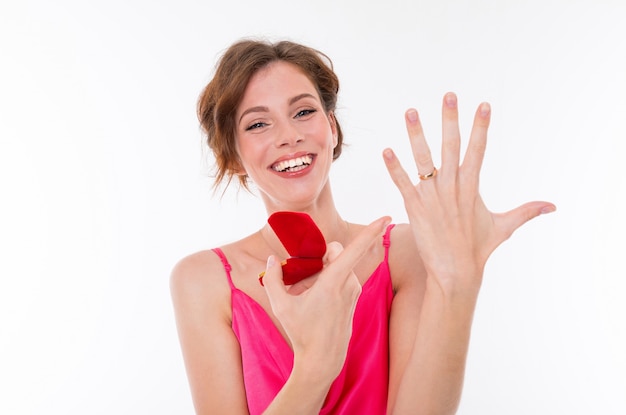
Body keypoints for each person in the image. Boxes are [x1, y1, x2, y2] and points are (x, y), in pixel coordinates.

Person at [170, 39, 555, 415]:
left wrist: (458, 283)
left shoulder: (406, 252)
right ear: (233, 156)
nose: (289, 136)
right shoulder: (203, 280)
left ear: (332, 128)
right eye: (257, 124)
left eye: (303, 112)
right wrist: (315, 368)